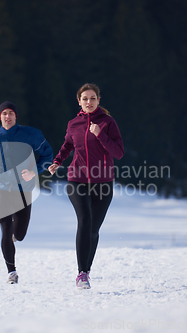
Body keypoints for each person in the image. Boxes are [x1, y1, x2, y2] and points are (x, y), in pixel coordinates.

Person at [48, 83, 124, 289]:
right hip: (77, 179)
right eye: (85, 98)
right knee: (84, 220)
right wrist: (57, 161)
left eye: (92, 98)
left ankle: (87, 270)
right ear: (79, 101)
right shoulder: (74, 123)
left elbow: (118, 152)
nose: (89, 102)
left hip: (103, 182)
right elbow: (68, 145)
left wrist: (100, 134)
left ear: (99, 100)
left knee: (93, 230)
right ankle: (81, 274)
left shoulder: (107, 122)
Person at [0, 101, 53, 284]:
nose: (7, 116)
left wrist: (33, 171)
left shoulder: (31, 134)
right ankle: (11, 272)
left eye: (11, 113)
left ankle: (15, 236)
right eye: (4, 113)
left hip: (23, 189)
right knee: (5, 229)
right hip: (1, 189)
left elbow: (47, 154)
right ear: (0, 116)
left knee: (19, 234)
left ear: (16, 116)